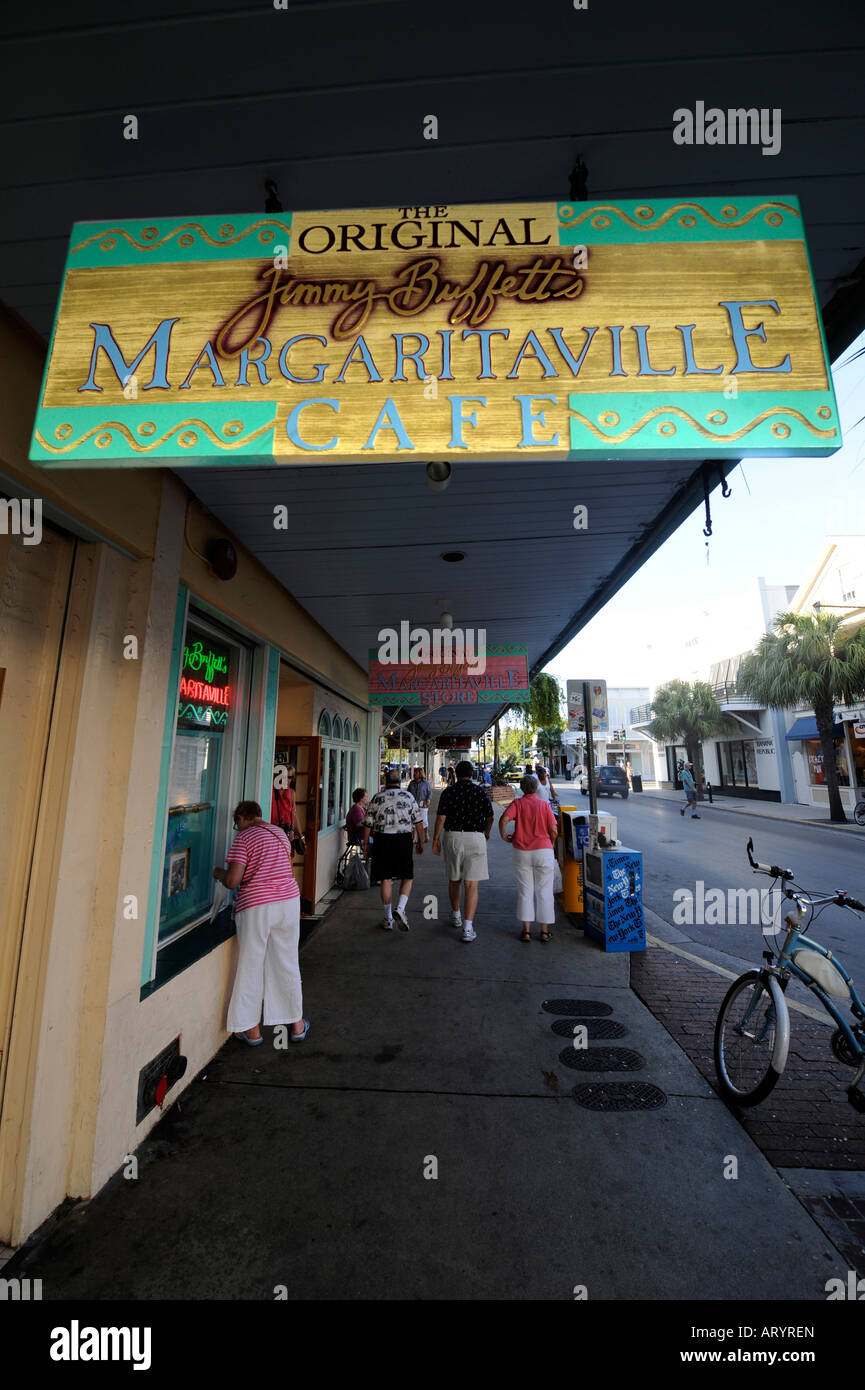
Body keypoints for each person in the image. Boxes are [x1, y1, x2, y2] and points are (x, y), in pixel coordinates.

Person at [213, 800, 308, 1045]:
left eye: (237, 823)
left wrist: (218, 873)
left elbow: (233, 881)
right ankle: (296, 1024)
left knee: (251, 964)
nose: (238, 827)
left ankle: (251, 1029)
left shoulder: (244, 838)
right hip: (288, 902)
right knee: (287, 962)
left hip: (257, 906)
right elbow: (282, 868)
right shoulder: (279, 833)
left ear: (243, 817)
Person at [432, 761, 494, 942]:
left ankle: (456, 914)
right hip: (476, 837)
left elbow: (441, 818)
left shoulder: (449, 792)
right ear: (471, 773)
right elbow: (490, 817)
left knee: (454, 880)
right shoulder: (480, 792)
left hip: (453, 837)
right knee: (471, 884)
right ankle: (468, 928)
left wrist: (436, 839)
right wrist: (486, 833)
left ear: (456, 774)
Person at [362, 769, 424, 929]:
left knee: (386, 879)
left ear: (385, 781)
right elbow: (418, 822)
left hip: (382, 840)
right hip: (403, 840)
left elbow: (368, 824)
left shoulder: (377, 798)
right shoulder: (408, 797)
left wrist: (366, 845)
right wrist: (421, 842)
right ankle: (401, 909)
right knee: (407, 876)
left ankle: (388, 918)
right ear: (399, 781)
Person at [499, 775, 558, 941]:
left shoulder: (518, 803)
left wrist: (504, 836)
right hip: (543, 851)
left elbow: (504, 819)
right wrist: (550, 844)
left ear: (522, 788)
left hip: (522, 852)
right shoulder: (544, 805)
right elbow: (554, 830)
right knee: (545, 891)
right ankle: (545, 932)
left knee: (525, 891)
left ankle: (526, 931)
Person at [407, 765, 432, 842]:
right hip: (413, 804)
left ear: (420, 774)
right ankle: (415, 837)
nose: (414, 774)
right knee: (414, 821)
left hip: (422, 804)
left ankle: (426, 834)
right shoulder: (412, 783)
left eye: (416, 773)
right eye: (414, 773)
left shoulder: (425, 783)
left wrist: (428, 800)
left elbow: (429, 793)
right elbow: (408, 793)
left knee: (424, 820)